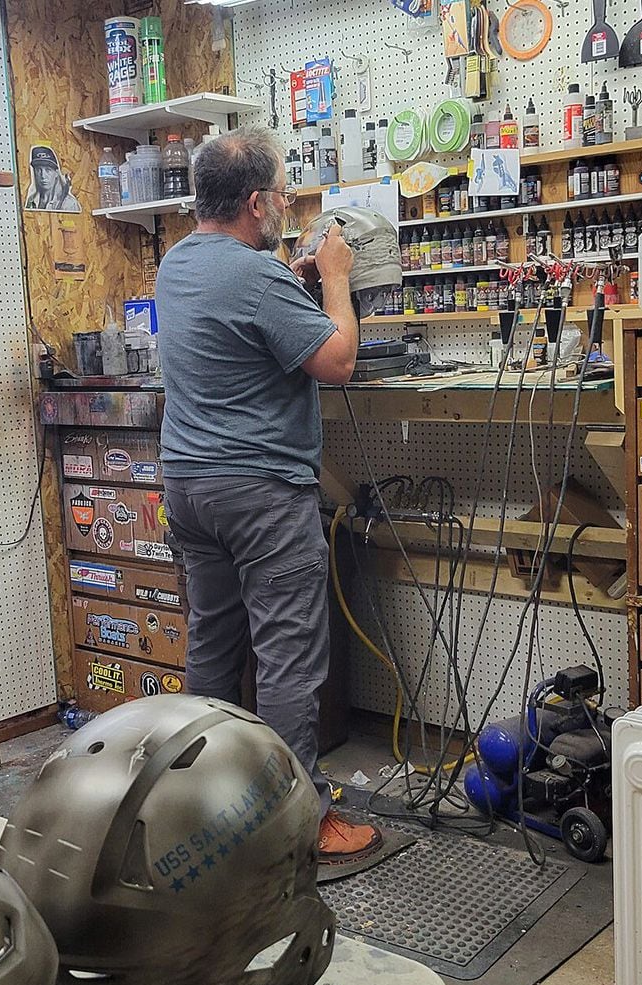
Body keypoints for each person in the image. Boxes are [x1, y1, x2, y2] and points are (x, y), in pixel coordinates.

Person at [154, 127, 380, 861]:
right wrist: (337, 279)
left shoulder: (178, 264)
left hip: (189, 489)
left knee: (214, 650)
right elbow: (338, 361)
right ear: (256, 203)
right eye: (283, 193)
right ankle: (298, 820)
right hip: (258, 495)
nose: (286, 203)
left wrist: (298, 284)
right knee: (288, 659)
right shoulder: (258, 276)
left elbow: (246, 326)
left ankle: (199, 803)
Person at [26, 144, 80, 211]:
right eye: (39, 170)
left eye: (48, 170)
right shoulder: (31, 201)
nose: (43, 176)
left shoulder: (68, 204)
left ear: (56, 173)